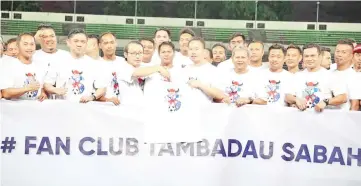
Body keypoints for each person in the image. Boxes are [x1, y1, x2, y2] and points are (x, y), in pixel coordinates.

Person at [43, 28, 106, 103]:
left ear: (86, 44)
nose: (79, 44)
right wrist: (55, 90)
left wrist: (92, 97)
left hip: (85, 108)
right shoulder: (58, 61)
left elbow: (102, 88)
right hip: (62, 107)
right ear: (68, 42)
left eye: (83, 42)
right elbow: (47, 84)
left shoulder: (93, 64)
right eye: (76, 41)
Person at [285, 43, 348, 112]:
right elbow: (288, 96)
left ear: (320, 57)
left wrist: (325, 102)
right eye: (306, 56)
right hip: (301, 119)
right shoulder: (297, 76)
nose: (309, 59)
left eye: (312, 56)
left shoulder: (330, 76)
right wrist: (296, 100)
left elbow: (343, 97)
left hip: (323, 119)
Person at [0, 33, 47, 101]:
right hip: (15, 109)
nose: (29, 47)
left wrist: (42, 93)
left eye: (32, 44)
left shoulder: (39, 66)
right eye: (25, 44)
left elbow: (40, 87)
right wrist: (27, 88)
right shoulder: (9, 65)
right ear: (18, 46)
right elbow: (5, 93)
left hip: (35, 108)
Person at [184, 37, 229, 104]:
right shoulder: (184, 70)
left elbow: (221, 95)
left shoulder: (213, 70)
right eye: (190, 49)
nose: (193, 52)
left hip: (204, 111)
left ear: (203, 51)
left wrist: (200, 85)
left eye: (196, 49)